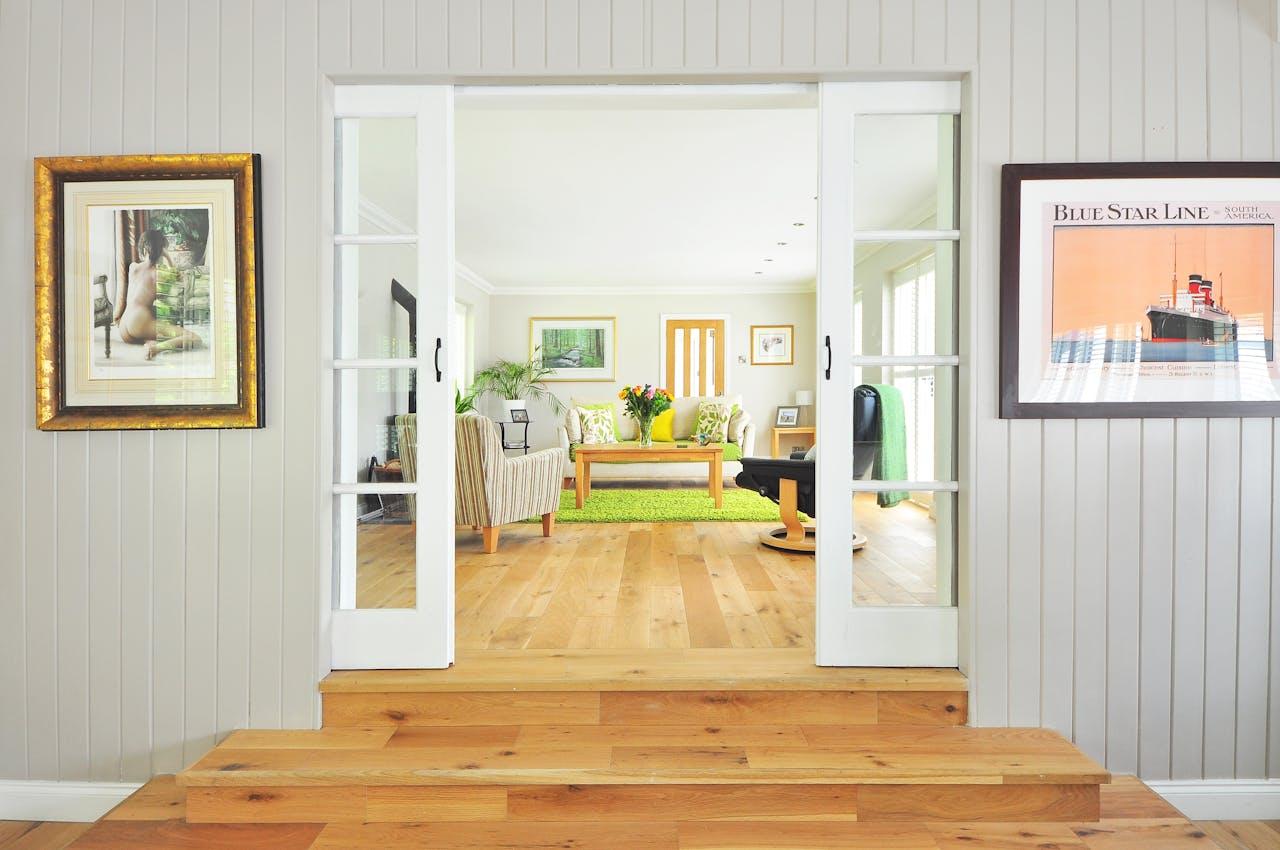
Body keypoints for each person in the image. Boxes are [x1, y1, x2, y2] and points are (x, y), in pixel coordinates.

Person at [113, 228, 202, 360]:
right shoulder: (160, 273)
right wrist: (167, 255)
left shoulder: (133, 267)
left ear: (143, 248)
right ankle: (157, 348)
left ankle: (149, 340)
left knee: (154, 316)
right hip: (138, 322)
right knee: (195, 338)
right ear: (161, 250)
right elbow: (178, 277)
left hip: (123, 327)